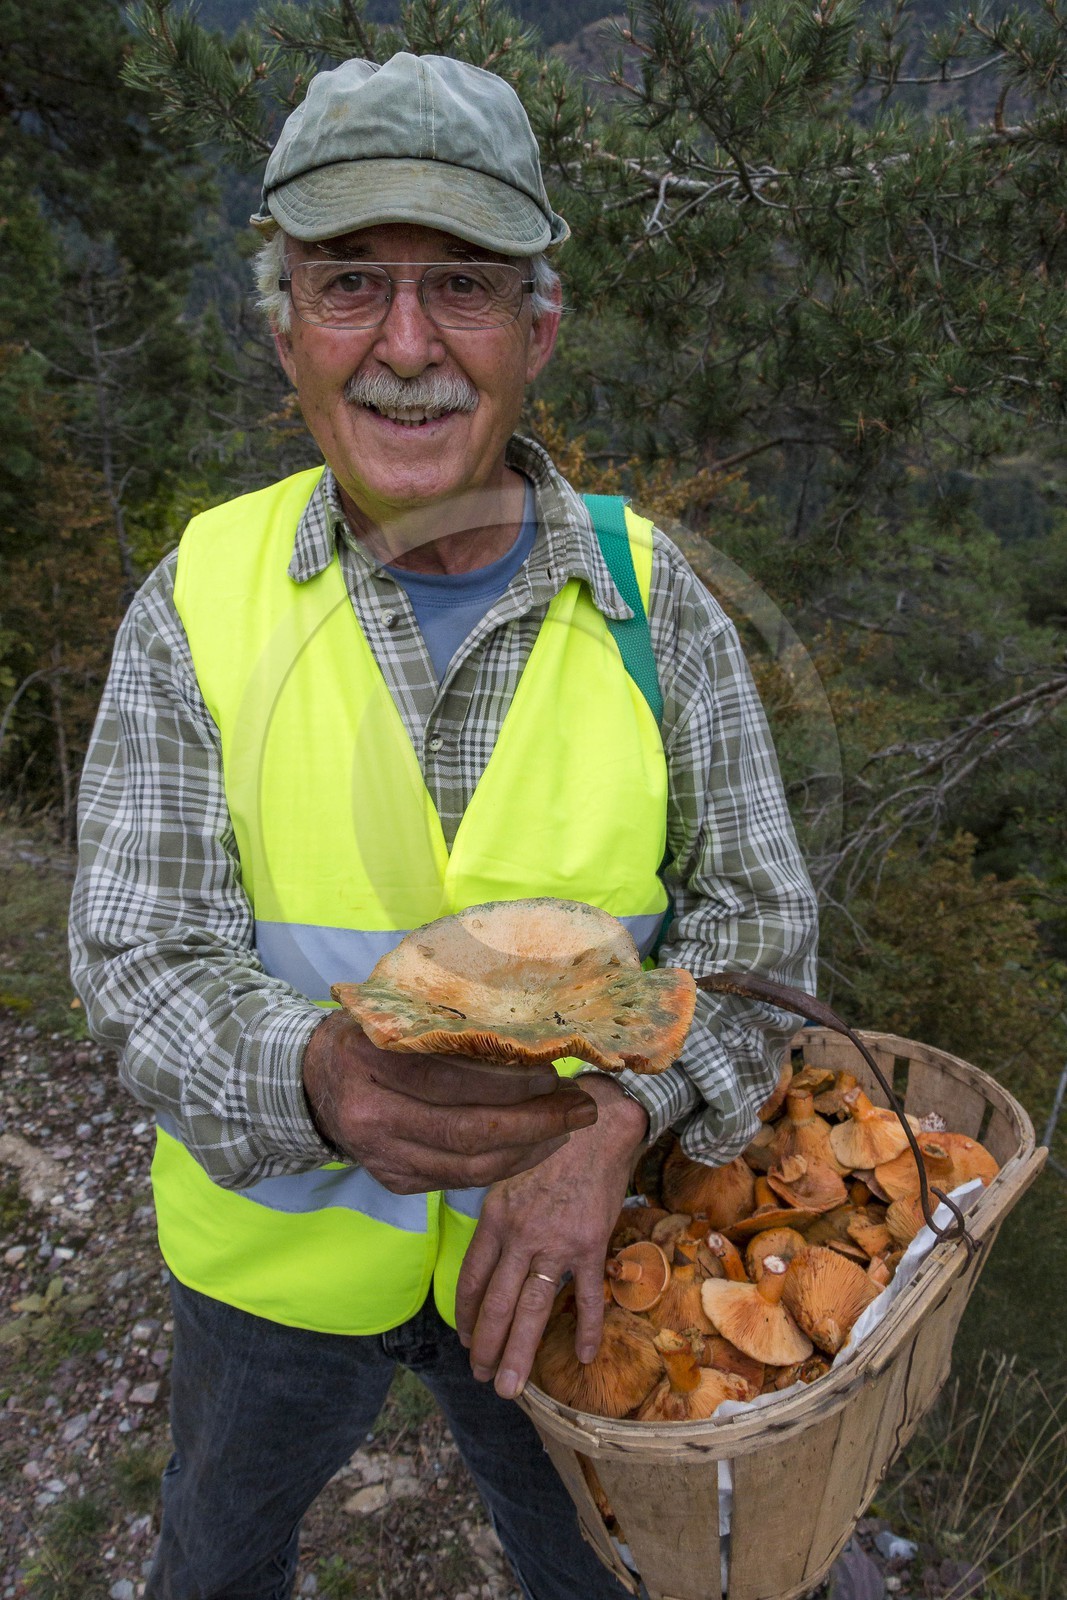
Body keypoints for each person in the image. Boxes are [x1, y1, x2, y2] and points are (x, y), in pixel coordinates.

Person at [69, 50, 819, 1600]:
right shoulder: (197, 603)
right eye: (350, 285)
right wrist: (317, 1074)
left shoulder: (652, 601)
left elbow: (762, 930)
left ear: (539, 328)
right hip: (270, 1271)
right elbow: (138, 955)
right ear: (282, 326)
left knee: (607, 1574)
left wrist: (622, 1125)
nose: (407, 348)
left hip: (573, 1261)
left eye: (464, 287)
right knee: (214, 1560)